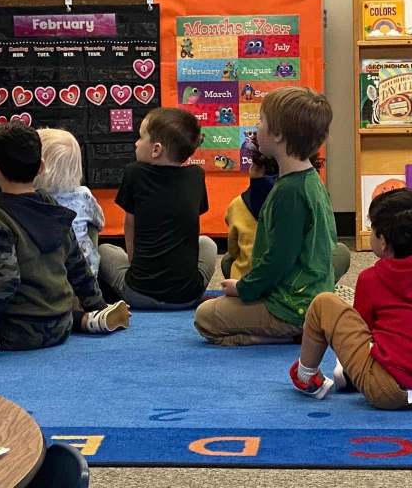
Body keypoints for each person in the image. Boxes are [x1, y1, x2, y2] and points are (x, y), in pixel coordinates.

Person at [0, 124, 128, 368]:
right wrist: (98, 305)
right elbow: (77, 263)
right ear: (41, 167)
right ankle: (91, 319)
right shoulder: (51, 205)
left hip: (18, 332)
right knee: (51, 309)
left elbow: (5, 281)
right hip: (60, 324)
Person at [290, 189, 412, 410]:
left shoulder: (371, 278)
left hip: (384, 389)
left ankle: (306, 376)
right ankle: (350, 375)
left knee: (324, 303)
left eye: (372, 229)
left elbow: (364, 331)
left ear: (384, 242)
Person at [194, 87, 337, 345]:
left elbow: (278, 261)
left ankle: (278, 334)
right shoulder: (308, 180)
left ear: (279, 135)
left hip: (292, 306)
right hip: (304, 294)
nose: (256, 128)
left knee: (206, 316)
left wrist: (243, 289)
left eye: (261, 121)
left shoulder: (290, 192)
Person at [98, 108, 218, 310]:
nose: (136, 143)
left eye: (140, 137)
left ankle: (120, 291)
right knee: (208, 243)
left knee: (104, 249)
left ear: (156, 149)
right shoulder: (197, 175)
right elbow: (189, 231)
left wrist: (136, 266)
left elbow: (130, 226)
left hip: (139, 294)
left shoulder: (134, 173)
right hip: (187, 297)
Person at [222, 144, 351, 282]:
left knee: (227, 260)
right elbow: (325, 241)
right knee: (341, 251)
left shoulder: (236, 205)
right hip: (296, 286)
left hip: (249, 281)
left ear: (255, 167)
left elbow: (234, 250)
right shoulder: (312, 195)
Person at [34, 128, 105, 275]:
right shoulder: (83, 195)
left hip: (46, 275)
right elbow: (100, 222)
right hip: (86, 272)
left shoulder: (32, 197)